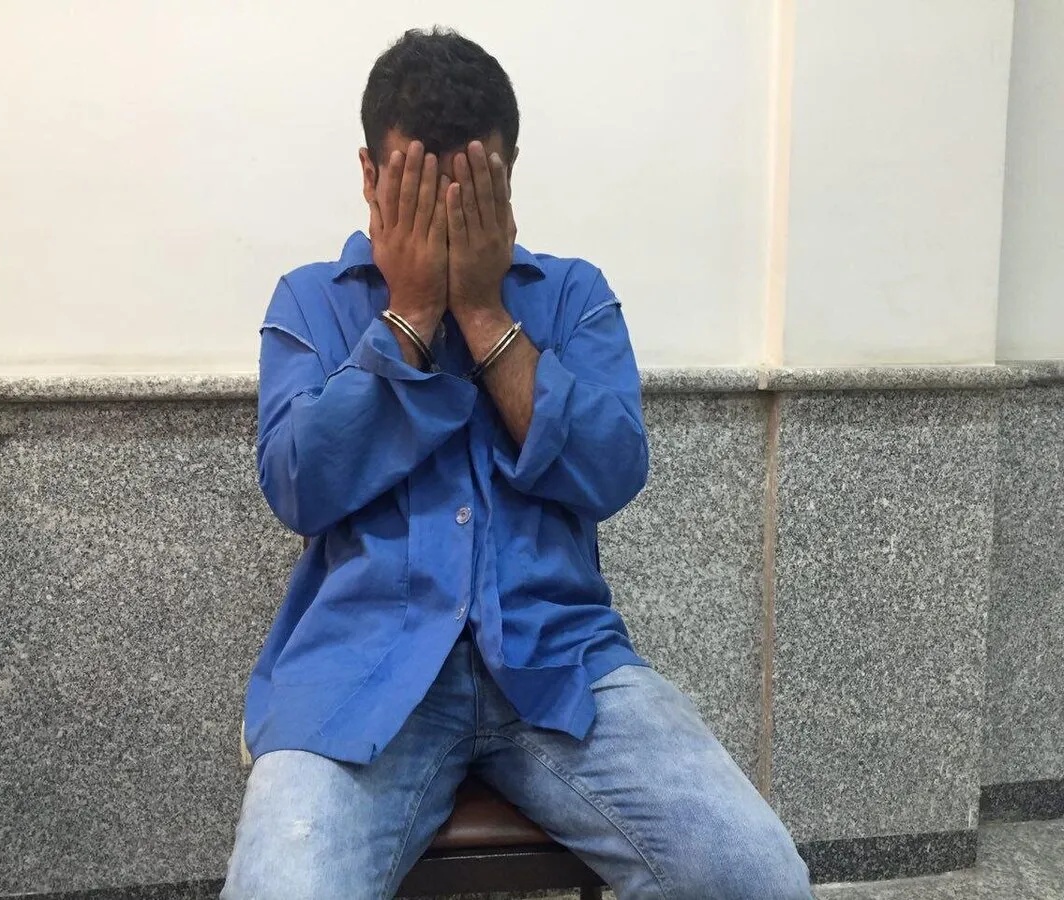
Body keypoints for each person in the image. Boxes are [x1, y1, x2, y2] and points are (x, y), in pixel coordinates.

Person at [223, 26, 812, 900]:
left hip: (563, 661)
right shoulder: (312, 299)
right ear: (369, 176)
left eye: (471, 192)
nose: (447, 221)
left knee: (755, 876)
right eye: (417, 192)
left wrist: (486, 315)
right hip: (359, 667)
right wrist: (409, 317)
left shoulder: (571, 296)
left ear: (510, 173)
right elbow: (298, 488)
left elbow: (612, 471)